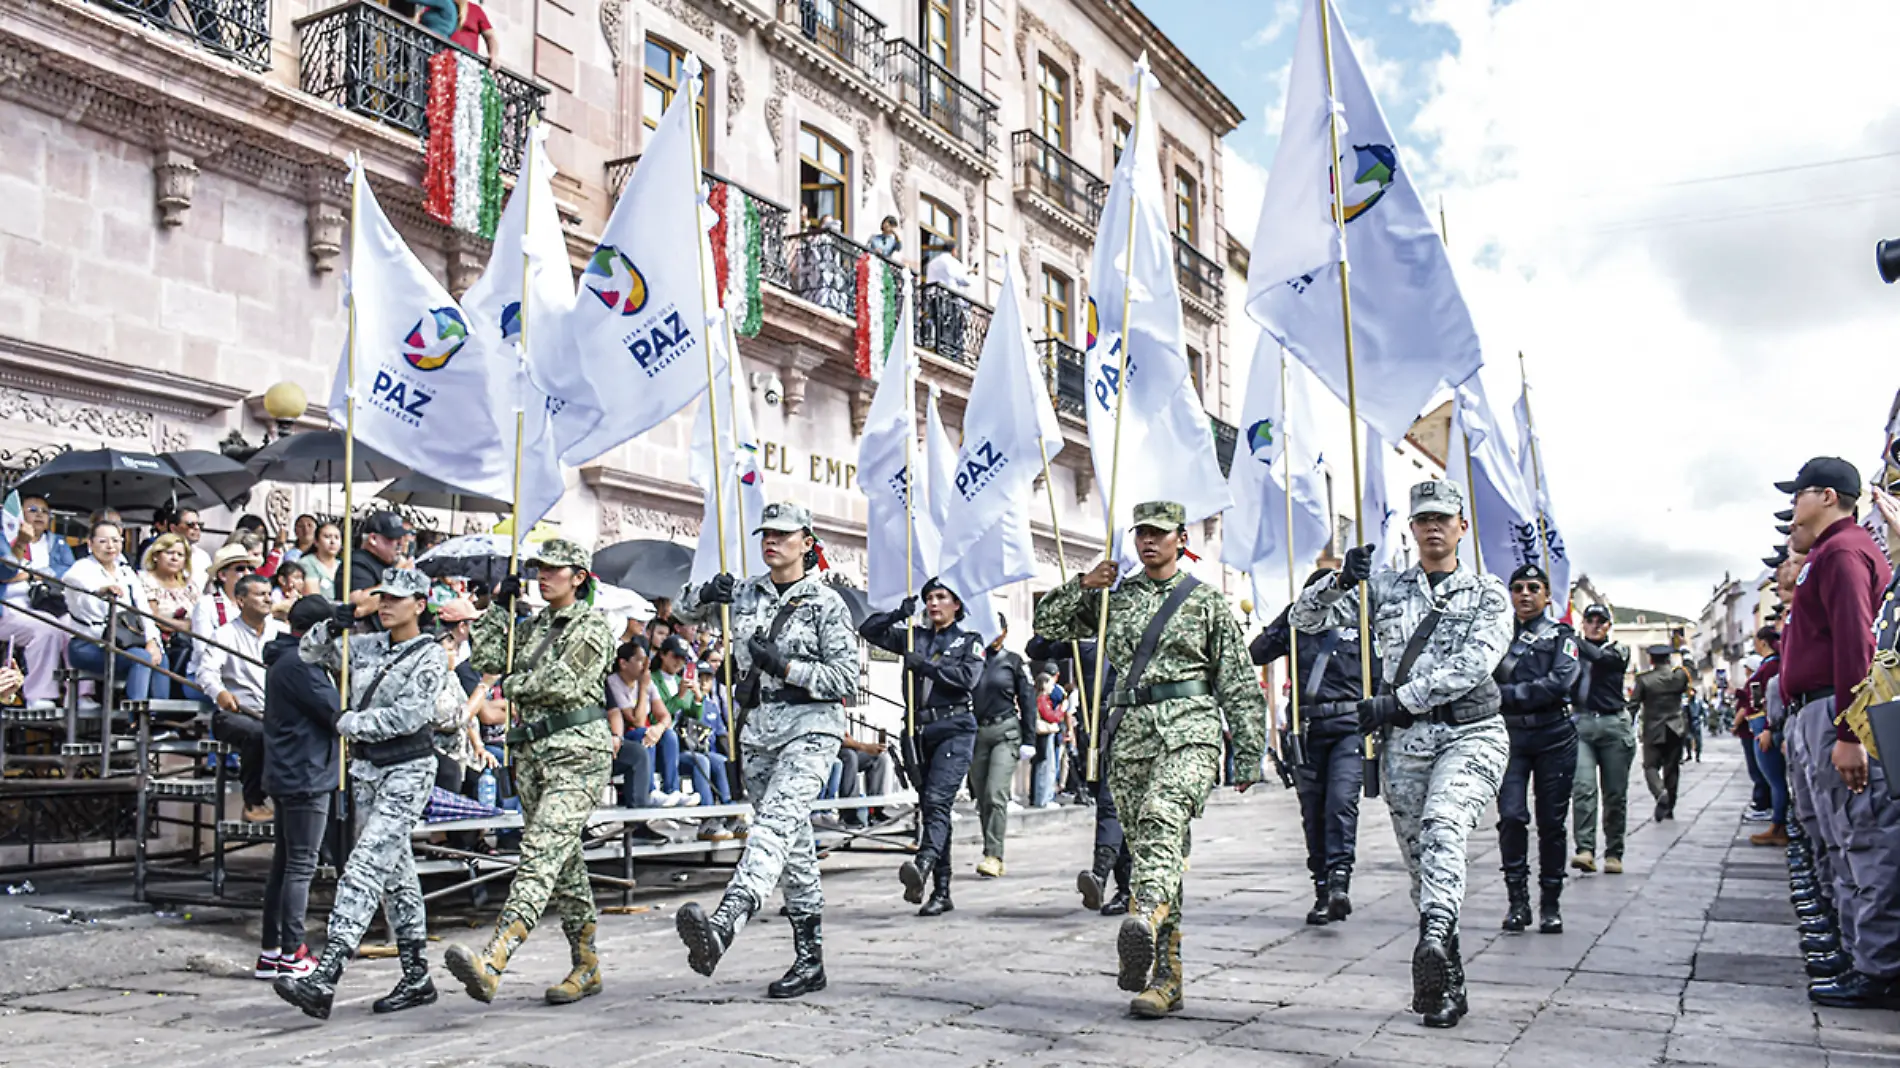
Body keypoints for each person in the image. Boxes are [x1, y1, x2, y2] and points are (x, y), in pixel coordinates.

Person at [1291, 480, 1511, 1030]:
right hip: (1406, 745)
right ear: (1411, 529)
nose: (1432, 527)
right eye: (1422, 519)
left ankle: (1432, 935)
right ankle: (1446, 976)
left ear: (1462, 526)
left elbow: (1473, 666)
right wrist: (1339, 580)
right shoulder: (1385, 588)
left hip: (1471, 733)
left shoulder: (1487, 593)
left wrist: (1394, 702)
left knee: (1443, 828)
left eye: (1443, 518)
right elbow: (1303, 622)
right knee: (1422, 862)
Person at [1034, 501, 1265, 1019]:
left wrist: (1249, 749)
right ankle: (1164, 978)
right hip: (1132, 735)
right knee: (1153, 853)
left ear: (1181, 539)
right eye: (1141, 533)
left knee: (1162, 819)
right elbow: (1046, 622)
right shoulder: (1115, 598)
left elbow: (1238, 678)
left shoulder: (1205, 602)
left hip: (1191, 729)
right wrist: (1084, 583)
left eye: (1159, 534)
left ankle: (1140, 917)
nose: (1148, 542)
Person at [672, 502, 856, 1000]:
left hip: (810, 727)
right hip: (756, 731)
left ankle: (726, 922)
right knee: (793, 849)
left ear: (806, 541)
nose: (770, 541)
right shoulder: (745, 593)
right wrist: (706, 592)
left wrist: (786, 667)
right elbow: (678, 610)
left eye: (782, 534)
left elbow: (845, 679)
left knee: (774, 825)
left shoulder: (826, 604)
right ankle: (810, 960)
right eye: (765, 534)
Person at [275, 570, 446, 1020]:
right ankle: (416, 976)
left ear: (420, 605)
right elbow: (310, 652)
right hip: (369, 769)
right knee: (396, 876)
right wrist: (336, 620)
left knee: (365, 865)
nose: (386, 605)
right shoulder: (366, 644)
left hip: (408, 768)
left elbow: (410, 716)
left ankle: (325, 976)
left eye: (397, 599)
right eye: (382, 598)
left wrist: (349, 723)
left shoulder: (429, 656)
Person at [1776, 459, 1900, 1009]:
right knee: (1834, 839)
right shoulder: (1828, 552)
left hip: (1835, 709)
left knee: (1862, 840)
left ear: (1828, 496)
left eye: (1799, 495)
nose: (1792, 508)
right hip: (1816, 709)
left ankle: (1878, 968)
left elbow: (1856, 642)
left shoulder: (1843, 550)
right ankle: (1856, 951)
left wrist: (1851, 727)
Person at [1251, 566, 1366, 927]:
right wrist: (1287, 620)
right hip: (1307, 729)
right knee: (1313, 813)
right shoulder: (1298, 618)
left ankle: (1339, 883)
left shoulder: (1359, 620)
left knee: (1341, 805)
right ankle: (1321, 888)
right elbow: (1257, 653)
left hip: (1350, 727)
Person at [860, 578, 983, 914]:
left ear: (956, 604)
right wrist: (897, 613)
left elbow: (966, 680)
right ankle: (941, 892)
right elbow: (868, 630)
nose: (933, 603)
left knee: (937, 800)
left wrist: (926, 666)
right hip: (918, 730)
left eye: (941, 597)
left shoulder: (968, 641)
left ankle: (924, 863)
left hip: (954, 727)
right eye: (929, 597)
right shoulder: (914, 636)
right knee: (932, 810)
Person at [1491, 564, 1581, 935]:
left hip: (1553, 734)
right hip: (1509, 737)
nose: (1524, 594)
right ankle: (1517, 901)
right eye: (1517, 588)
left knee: (1552, 824)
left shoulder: (1562, 637)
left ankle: (1550, 903)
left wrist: (1506, 696)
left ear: (1546, 595)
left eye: (1532, 587)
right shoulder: (1495, 636)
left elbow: (1559, 682)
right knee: (1511, 818)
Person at [256, 596, 342, 982]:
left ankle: (272, 949)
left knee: (285, 863)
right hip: (305, 773)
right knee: (300, 865)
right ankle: (291, 949)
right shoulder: (301, 664)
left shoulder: (285, 661)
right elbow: (334, 711)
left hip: (292, 769)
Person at [1027, 636, 1127, 914]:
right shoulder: (1084, 641)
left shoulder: (1140, 631)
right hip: (1095, 734)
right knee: (1114, 809)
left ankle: (1101, 874)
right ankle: (1126, 887)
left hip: (1134, 731)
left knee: (1113, 805)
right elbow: (1035, 648)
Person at [197, 574, 285, 823]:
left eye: (269, 593)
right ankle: (252, 802)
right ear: (240, 600)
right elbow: (206, 672)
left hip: (274, 712)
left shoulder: (281, 631)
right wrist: (220, 693)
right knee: (257, 734)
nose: (267, 599)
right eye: (260, 594)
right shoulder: (224, 634)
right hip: (235, 713)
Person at [64, 520, 169, 703]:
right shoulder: (81, 569)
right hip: (89, 643)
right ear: (90, 543)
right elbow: (77, 588)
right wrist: (102, 590)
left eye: (115, 540)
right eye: (103, 541)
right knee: (140, 657)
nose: (110, 546)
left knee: (159, 657)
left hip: (123, 641)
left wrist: (152, 641)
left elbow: (143, 609)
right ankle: (136, 719)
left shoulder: (126, 572)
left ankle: (158, 720)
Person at [968, 615, 1035, 878]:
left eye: (997, 629)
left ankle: (994, 855)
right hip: (976, 732)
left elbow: (1027, 699)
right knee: (983, 796)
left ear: (1005, 632)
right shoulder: (972, 659)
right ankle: (990, 847)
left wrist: (1029, 739)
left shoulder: (1014, 662)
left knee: (996, 793)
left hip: (1004, 731)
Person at [1570, 603, 1633, 874]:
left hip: (1613, 724)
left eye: (1601, 621)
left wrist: (1569, 637)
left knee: (1615, 793)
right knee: (1583, 788)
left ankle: (1614, 852)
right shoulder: (1572, 652)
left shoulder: (1618, 649)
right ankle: (1585, 849)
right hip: (1582, 722)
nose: (1595, 625)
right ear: (1583, 623)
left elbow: (1602, 659)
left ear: (1609, 626)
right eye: (1590, 620)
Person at [0, 494, 73, 707]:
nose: (40, 514)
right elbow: (5, 572)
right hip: (10, 606)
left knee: (75, 628)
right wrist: (33, 571)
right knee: (46, 629)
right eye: (33, 510)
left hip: (50, 604)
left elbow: (67, 573)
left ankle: (78, 695)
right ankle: (39, 695)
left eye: (44, 511)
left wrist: (31, 573)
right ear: (19, 515)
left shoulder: (57, 543)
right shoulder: (4, 538)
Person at [1630, 644, 1690, 822]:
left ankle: (1660, 792)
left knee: (1650, 766)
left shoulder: (1644, 680)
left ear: (1651, 660)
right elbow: (1691, 670)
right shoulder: (1679, 676)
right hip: (1675, 728)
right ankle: (1670, 807)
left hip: (1653, 729)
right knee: (1672, 769)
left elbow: (1633, 705)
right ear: (1668, 659)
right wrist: (1685, 652)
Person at [1744, 626, 1790, 847]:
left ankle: (1779, 825)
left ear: (1762, 642)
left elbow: (1773, 698)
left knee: (1775, 779)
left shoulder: (1772, 666)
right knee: (1772, 778)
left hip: (1765, 724)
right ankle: (1778, 823)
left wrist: (1769, 728)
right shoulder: (1769, 665)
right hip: (1760, 723)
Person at [345, 512, 410, 627]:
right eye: (393, 538)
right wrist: (398, 573)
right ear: (373, 538)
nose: (400, 543)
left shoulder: (389, 562)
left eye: (401, 538)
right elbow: (358, 606)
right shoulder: (357, 562)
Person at [297, 522, 344, 601]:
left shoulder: (342, 565)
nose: (332, 541)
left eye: (336, 537)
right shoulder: (307, 563)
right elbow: (313, 597)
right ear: (316, 542)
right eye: (327, 537)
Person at [174, 508, 211, 590]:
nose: (197, 528)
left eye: (200, 525)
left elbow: (208, 590)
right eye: (191, 525)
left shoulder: (204, 557)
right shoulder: (158, 552)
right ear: (174, 528)